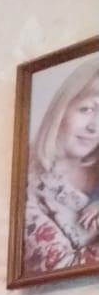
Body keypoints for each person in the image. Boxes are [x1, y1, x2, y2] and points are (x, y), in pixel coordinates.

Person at [23, 57, 99, 276]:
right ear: (61, 109)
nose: (95, 127)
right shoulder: (27, 187)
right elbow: (62, 270)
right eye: (87, 109)